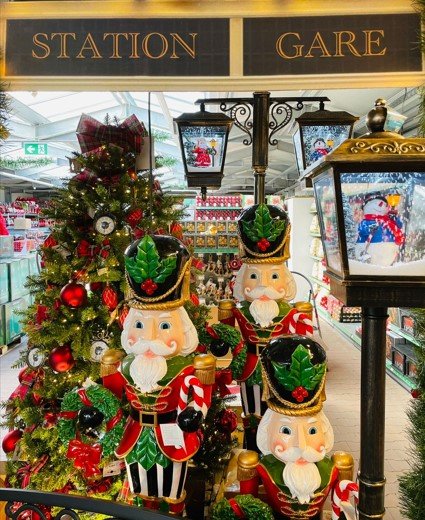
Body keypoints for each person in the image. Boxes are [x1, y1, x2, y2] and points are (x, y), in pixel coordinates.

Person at [101, 234, 216, 515]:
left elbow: (200, 395)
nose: (150, 338)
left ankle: (174, 512)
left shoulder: (186, 368)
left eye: (164, 326)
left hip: (172, 432)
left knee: (172, 488)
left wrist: (194, 412)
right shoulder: (124, 366)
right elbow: (110, 396)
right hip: (135, 433)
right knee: (141, 485)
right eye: (140, 326)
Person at [214, 203, 313, 451]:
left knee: (279, 413)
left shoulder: (293, 312)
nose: (263, 286)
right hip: (249, 366)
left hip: (281, 370)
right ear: (243, 278)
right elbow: (224, 341)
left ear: (285, 279)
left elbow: (304, 347)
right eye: (254, 276)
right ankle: (252, 450)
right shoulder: (237, 309)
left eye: (274, 276)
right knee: (251, 414)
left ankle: (276, 451)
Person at [234, 336, 358, 520]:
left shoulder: (336, 466)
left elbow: (341, 509)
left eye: (312, 431)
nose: (301, 445)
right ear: (267, 430)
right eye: (286, 431)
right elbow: (248, 507)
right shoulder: (256, 466)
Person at [355, 194, 404, 266]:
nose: (381, 206)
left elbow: (399, 226)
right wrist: (374, 226)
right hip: (371, 251)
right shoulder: (366, 222)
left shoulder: (388, 220)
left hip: (386, 252)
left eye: (383, 205)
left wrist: (394, 218)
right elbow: (363, 230)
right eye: (379, 204)